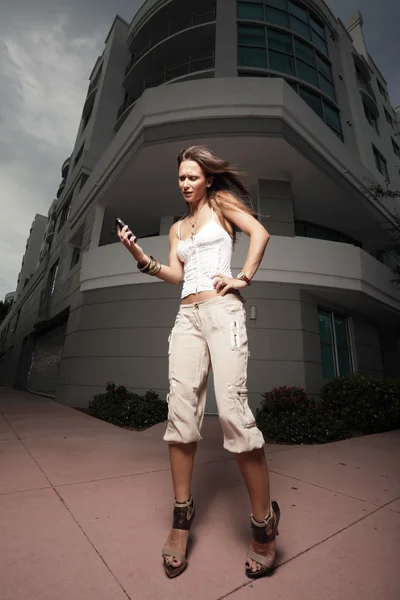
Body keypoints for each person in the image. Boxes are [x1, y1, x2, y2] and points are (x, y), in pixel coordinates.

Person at [117, 145, 280, 580]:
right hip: (186, 317)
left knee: (232, 414)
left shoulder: (222, 204)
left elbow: (260, 235)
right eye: (181, 178)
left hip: (222, 312)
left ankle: (264, 525)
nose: (185, 183)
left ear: (207, 178)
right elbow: (176, 273)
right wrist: (139, 256)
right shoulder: (176, 228)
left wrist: (241, 277)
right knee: (181, 417)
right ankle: (181, 518)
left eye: (192, 176)